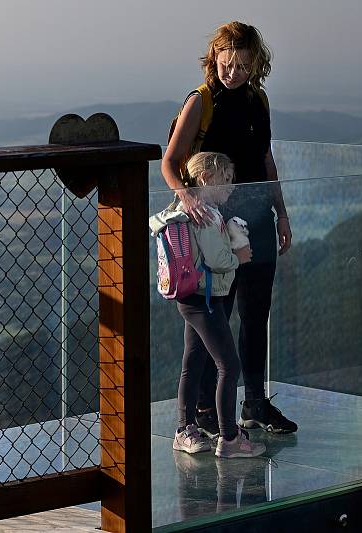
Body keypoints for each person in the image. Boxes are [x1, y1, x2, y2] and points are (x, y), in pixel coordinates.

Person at [161, 21, 297, 437]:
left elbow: (266, 160)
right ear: (213, 60)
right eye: (226, 64)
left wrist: (282, 212)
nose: (232, 72)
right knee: (213, 315)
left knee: (257, 315)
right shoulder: (201, 101)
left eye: (241, 65)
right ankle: (202, 410)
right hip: (212, 225)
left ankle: (254, 403)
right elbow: (171, 160)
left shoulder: (259, 101)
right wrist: (187, 196)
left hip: (257, 220)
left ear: (255, 64)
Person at [150, 151, 265, 459]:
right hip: (206, 300)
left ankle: (183, 430)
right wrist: (239, 258)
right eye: (225, 179)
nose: (231, 186)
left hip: (189, 298)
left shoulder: (184, 208)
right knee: (229, 365)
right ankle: (229, 438)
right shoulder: (207, 214)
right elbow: (217, 260)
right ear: (205, 178)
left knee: (193, 362)